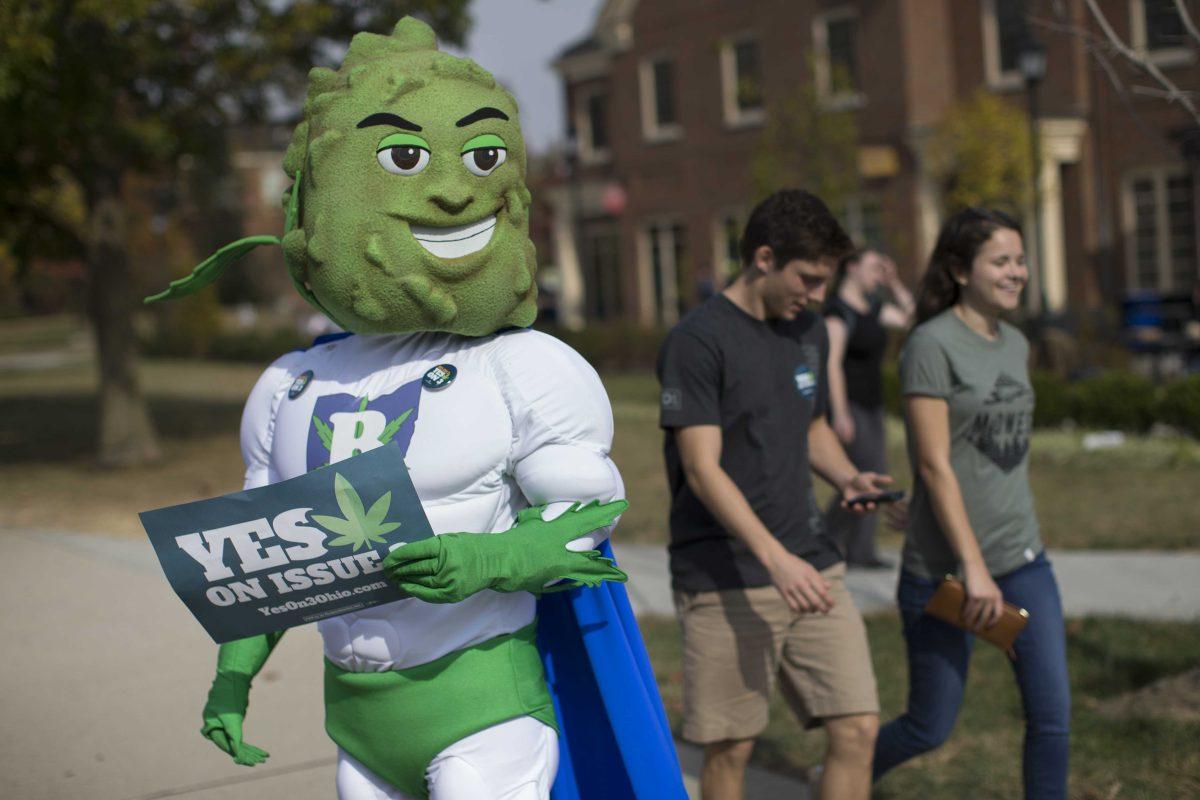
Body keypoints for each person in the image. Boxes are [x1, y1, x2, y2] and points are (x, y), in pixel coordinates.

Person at [657, 189, 892, 800]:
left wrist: (846, 477)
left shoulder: (808, 330)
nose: (817, 295)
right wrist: (774, 559)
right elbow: (702, 469)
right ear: (763, 257)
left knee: (858, 726)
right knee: (731, 748)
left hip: (811, 562)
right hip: (726, 573)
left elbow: (809, 425)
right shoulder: (698, 341)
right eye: (808, 278)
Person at [872, 208, 1070, 799]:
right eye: (1001, 261)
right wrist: (974, 567)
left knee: (1053, 717)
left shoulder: (1015, 342)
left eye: (1019, 259)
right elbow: (934, 462)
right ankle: (838, 777)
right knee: (929, 727)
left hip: (1022, 556)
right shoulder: (930, 346)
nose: (1017, 272)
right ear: (960, 270)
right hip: (946, 573)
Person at [823, 250, 914, 568]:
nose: (879, 274)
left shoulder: (874, 308)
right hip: (851, 405)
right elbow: (831, 364)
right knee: (867, 476)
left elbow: (913, 320)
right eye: (874, 268)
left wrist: (895, 284)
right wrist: (840, 413)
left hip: (874, 405)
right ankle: (833, 539)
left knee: (870, 476)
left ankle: (852, 547)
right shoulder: (838, 311)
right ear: (851, 268)